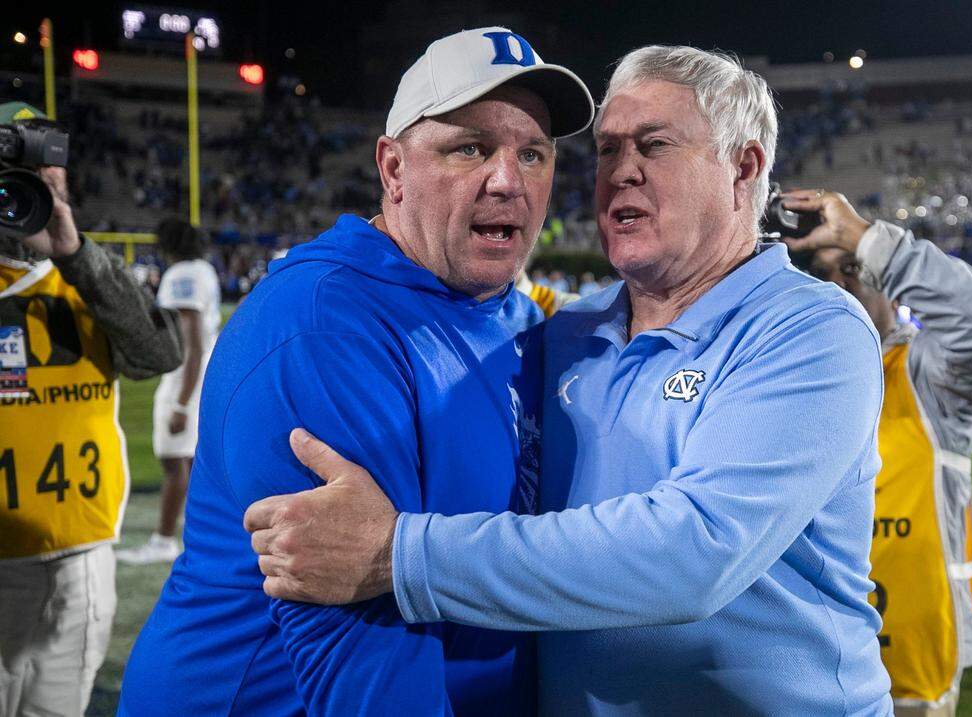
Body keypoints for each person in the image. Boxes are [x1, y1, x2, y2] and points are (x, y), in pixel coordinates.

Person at [246, 46, 893, 715]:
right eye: (608, 149)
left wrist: (399, 554)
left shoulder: (812, 331)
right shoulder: (562, 335)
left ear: (744, 168)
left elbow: (695, 550)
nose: (621, 173)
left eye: (655, 145)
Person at [118, 27, 594, 716]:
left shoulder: (509, 314)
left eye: (534, 152)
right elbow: (359, 655)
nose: (508, 179)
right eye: (470, 147)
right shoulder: (322, 327)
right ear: (393, 169)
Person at [780, 188, 972, 716]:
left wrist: (861, 237)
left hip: (914, 659)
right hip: (810, 660)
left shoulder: (927, 376)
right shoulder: (790, 377)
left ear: (885, 279)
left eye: (853, 267)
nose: (841, 283)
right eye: (825, 274)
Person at [0, 102, 183, 716]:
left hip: (83, 560)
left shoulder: (84, 277)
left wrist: (75, 253)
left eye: (49, 177)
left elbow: (159, 351)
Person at [117, 219, 220, 565]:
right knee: (189, 460)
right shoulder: (203, 269)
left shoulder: (182, 275)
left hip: (184, 377)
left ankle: (163, 540)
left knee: (173, 461)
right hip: (202, 372)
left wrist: (180, 401)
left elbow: (189, 344)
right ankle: (200, 534)